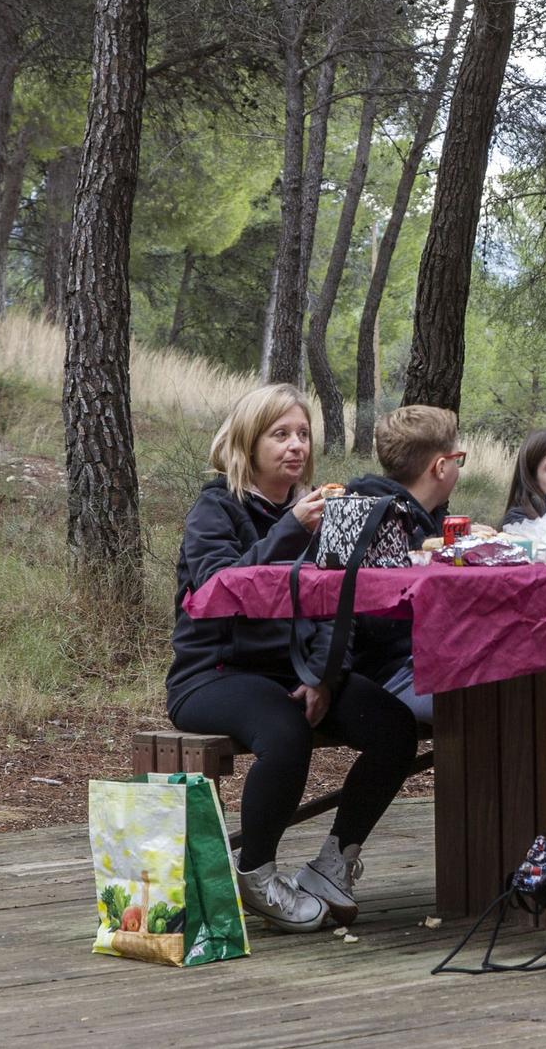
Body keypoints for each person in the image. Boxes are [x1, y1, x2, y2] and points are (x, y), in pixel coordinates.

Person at [167, 384, 419, 932]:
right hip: (213, 675)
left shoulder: (320, 513)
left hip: (295, 670)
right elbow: (217, 589)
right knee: (286, 730)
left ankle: (332, 864)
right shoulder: (216, 509)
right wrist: (289, 531)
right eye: (280, 435)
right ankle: (254, 871)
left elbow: (337, 607)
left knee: (394, 726)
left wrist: (325, 677)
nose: (295, 446)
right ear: (248, 443)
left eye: (303, 434)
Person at [343, 404, 465, 727]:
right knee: (495, 704)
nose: (458, 468)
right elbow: (379, 622)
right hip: (390, 675)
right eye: (458, 459)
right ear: (441, 467)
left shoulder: (419, 520)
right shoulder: (385, 523)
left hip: (419, 664)